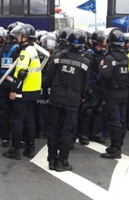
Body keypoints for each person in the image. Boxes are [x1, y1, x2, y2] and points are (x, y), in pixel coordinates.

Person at [44, 28, 90, 171]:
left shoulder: (57, 57)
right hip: (72, 100)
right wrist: (82, 97)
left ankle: (51, 159)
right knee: (67, 131)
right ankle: (62, 161)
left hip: (55, 98)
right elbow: (85, 85)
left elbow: (48, 79)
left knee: (53, 129)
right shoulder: (85, 62)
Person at [3, 24, 42, 160]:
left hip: (23, 90)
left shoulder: (25, 52)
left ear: (25, 37)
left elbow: (21, 73)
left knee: (17, 121)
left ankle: (15, 150)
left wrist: (14, 90)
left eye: (19, 36)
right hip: (33, 90)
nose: (17, 38)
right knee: (29, 120)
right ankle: (30, 148)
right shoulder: (33, 49)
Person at [99, 30, 129, 159]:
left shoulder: (109, 58)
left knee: (115, 121)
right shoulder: (125, 58)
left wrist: (101, 67)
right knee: (122, 120)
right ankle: (118, 146)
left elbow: (105, 76)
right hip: (124, 92)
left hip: (113, 92)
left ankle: (115, 148)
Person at [78, 30, 107, 145]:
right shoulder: (89, 55)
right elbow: (87, 72)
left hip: (101, 86)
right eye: (103, 40)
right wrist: (86, 88)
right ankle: (83, 134)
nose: (105, 42)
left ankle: (95, 133)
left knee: (98, 110)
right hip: (91, 86)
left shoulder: (103, 54)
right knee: (87, 110)